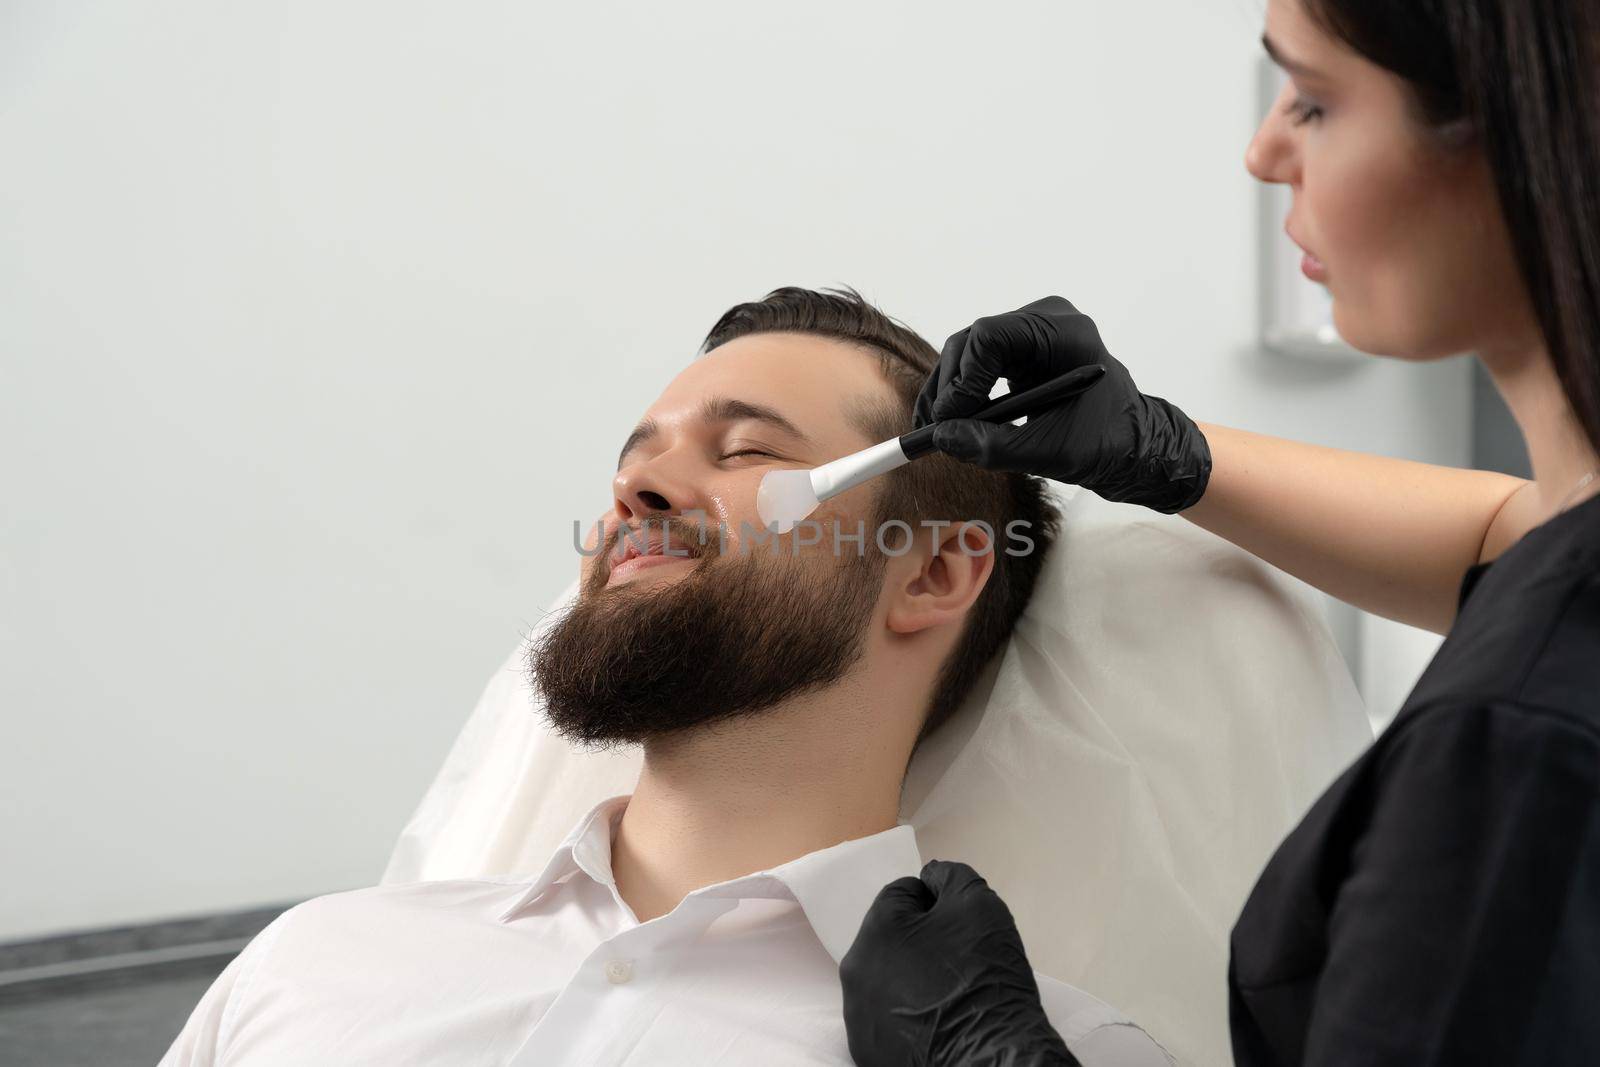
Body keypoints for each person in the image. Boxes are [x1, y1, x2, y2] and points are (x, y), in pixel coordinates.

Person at [840, 0, 1600, 1063]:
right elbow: (1513, 542)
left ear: (1523, 125)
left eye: (1315, 102)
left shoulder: (1509, 756)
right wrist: (1162, 450)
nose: (1262, 152)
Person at [159, 288, 1170, 1067]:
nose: (630, 490)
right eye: (631, 460)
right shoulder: (317, 960)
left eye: (745, 449)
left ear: (934, 571)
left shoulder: (1056, 1051)